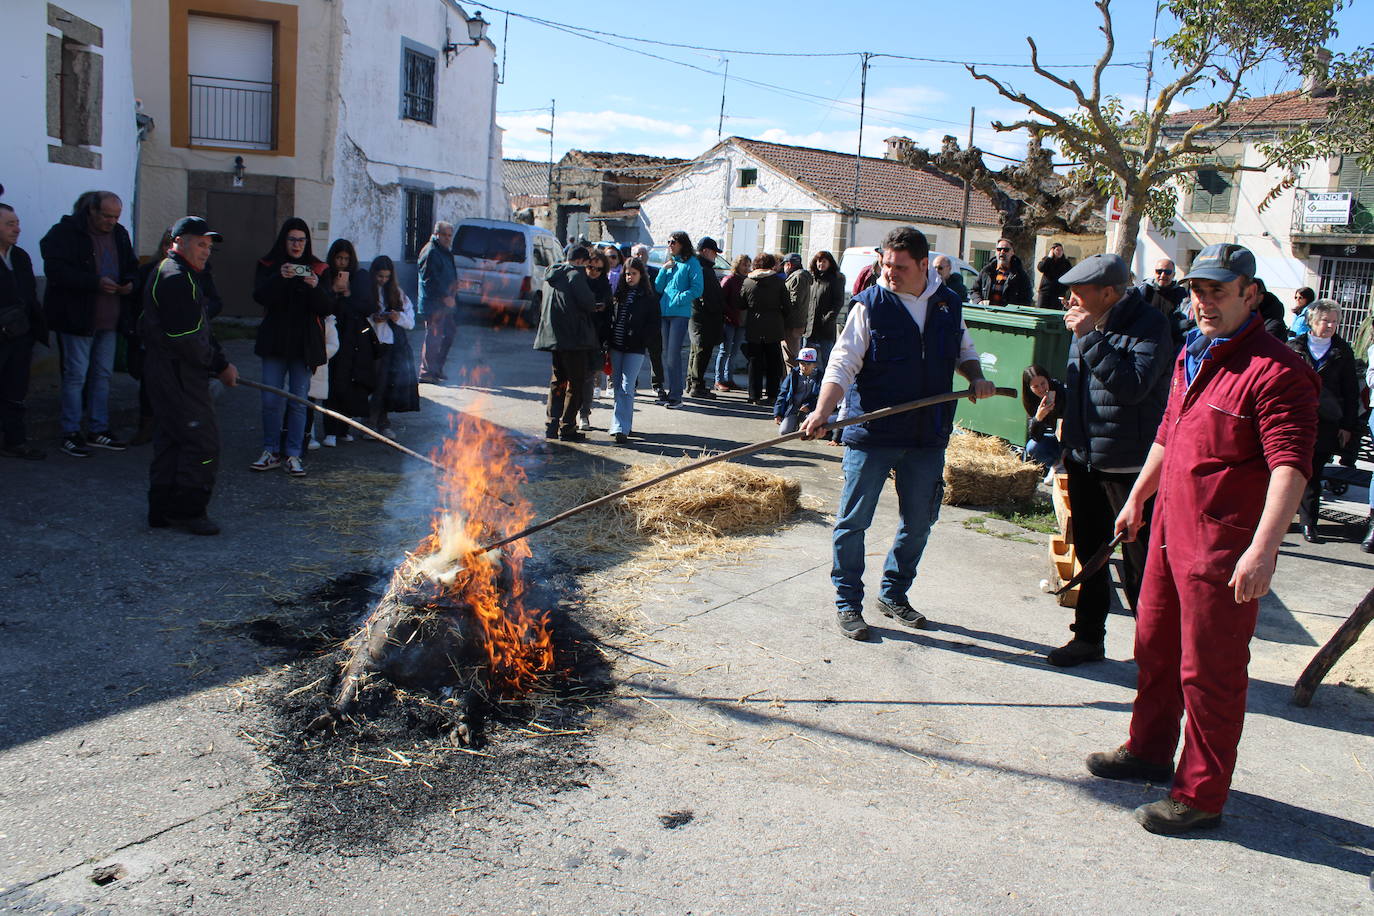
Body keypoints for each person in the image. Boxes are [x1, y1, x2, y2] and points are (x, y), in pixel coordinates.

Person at [1087, 242, 1319, 835]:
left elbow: (1291, 465)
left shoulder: (1280, 371)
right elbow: (1169, 432)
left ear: (1251, 295)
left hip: (1222, 543)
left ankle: (1200, 794)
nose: (1203, 301)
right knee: (1153, 643)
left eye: (1217, 290)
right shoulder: (1193, 351)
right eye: (1197, 290)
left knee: (1210, 671)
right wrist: (1140, 495)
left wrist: (1264, 549)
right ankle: (1148, 747)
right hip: (1169, 527)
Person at [798, 226, 997, 641]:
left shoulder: (948, 304)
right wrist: (822, 410)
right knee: (853, 522)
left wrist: (976, 377)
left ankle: (894, 593)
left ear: (924, 265)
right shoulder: (869, 305)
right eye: (885, 264)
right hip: (873, 431)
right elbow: (842, 364)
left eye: (900, 267)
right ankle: (848, 601)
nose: (890, 273)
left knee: (920, 521)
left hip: (928, 433)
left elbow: (965, 351)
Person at [1050, 253, 1173, 667]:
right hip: (1085, 459)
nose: (1070, 300)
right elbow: (1083, 388)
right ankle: (1088, 638)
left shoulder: (1150, 324)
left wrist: (1089, 339)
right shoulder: (1085, 323)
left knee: (1141, 567)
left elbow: (1132, 386)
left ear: (1108, 293)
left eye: (1079, 292)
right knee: (1091, 554)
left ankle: (1154, 657)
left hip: (1131, 469)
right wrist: (1051, 397)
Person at [140, 217, 238, 535]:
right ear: (178, 241)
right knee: (202, 444)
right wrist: (220, 366)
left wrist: (218, 360)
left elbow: (201, 331)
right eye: (200, 243)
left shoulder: (181, 275)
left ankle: (162, 509)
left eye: (209, 246)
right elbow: (188, 339)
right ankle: (189, 511)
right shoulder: (175, 278)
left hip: (169, 370)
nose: (206, 251)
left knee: (171, 440)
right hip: (178, 373)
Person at [41, 190, 139, 456]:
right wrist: (94, 283)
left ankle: (99, 428)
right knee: (76, 376)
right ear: (91, 211)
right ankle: (70, 432)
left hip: (110, 317)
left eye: (116, 217)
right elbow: (56, 271)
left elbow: (131, 264)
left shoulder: (119, 233)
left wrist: (130, 282)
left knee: (102, 376)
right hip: (77, 318)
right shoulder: (64, 233)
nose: (111, 221)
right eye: (106, 216)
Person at [250, 218, 330, 475]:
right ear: (284, 240)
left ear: (307, 242)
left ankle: (294, 454)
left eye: (301, 240)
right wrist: (279, 278)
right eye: (292, 239)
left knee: (298, 401)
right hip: (274, 340)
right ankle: (271, 450)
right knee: (270, 399)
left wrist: (316, 287)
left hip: (303, 344)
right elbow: (259, 297)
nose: (296, 245)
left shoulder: (318, 268)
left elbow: (327, 307)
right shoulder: (269, 265)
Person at [1288, 300, 1359, 544]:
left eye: (1334, 322)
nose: (1330, 326)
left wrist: (1347, 426)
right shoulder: (1294, 347)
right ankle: (1284, 519)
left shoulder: (1342, 351)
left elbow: (1351, 391)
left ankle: (1309, 523)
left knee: (1313, 472)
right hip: (1294, 419)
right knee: (1286, 470)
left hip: (1326, 422)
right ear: (1311, 322)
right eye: (1325, 321)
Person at [534, 246, 598, 441]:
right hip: (573, 339)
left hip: (554, 338)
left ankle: (551, 424)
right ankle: (567, 427)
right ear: (580, 261)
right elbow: (588, 302)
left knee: (557, 381)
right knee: (576, 383)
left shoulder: (551, 276)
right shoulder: (574, 276)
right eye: (586, 265)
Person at [0, 204, 48, 460]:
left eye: (17, 223)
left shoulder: (20, 257)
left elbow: (29, 296)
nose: (17, 229)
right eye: (9, 224)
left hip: (20, 336)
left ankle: (14, 441)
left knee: (16, 390)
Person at [320, 239, 376, 454]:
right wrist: (334, 291)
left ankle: (345, 427)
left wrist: (349, 295)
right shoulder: (327, 276)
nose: (342, 263)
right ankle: (330, 430)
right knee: (334, 381)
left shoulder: (360, 277)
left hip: (355, 339)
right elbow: (323, 306)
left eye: (346, 259)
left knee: (352, 381)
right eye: (339, 258)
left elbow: (368, 306)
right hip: (334, 335)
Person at [606, 256, 656, 445]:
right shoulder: (619, 294)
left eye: (633, 274)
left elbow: (654, 324)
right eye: (627, 273)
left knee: (627, 387)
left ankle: (620, 427)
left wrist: (642, 339)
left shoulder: (648, 297)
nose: (629, 277)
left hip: (635, 348)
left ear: (641, 275)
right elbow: (612, 318)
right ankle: (622, 423)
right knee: (617, 386)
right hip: (617, 346)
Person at [367, 255, 418, 436]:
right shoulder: (367, 291)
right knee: (376, 384)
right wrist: (374, 319)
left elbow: (411, 322)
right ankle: (371, 421)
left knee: (388, 384)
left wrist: (397, 317)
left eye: (387, 277)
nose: (383, 280)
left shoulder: (397, 293)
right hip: (371, 343)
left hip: (391, 345)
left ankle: (382, 422)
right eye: (380, 276)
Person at [653, 231, 702, 408]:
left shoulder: (692, 263)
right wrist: (663, 270)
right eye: (668, 242)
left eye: (673, 242)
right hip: (665, 312)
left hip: (679, 314)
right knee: (667, 355)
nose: (670, 245)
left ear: (682, 243)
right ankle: (670, 392)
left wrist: (679, 298)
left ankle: (676, 396)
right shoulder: (671, 263)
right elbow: (658, 287)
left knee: (673, 355)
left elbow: (697, 289)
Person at [741, 253, 788, 407]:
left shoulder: (748, 282)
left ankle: (754, 395)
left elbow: (740, 303)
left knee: (754, 361)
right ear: (771, 265)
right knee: (773, 361)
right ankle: (772, 394)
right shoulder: (778, 282)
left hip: (754, 324)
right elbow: (787, 304)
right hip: (774, 324)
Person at [417, 221, 457, 383]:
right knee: (434, 337)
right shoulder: (431, 251)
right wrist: (444, 296)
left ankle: (437, 368)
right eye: (444, 235)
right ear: (436, 234)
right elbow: (429, 279)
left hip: (446, 303)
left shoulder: (444, 251)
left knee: (449, 333)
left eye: (449, 235)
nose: (448, 238)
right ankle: (426, 372)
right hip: (434, 303)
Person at [578, 249, 613, 430]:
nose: (593, 271)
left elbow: (609, 318)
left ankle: (584, 414)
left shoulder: (605, 287)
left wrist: (606, 343)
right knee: (572, 377)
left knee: (589, 378)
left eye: (598, 269)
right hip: (575, 336)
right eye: (590, 267)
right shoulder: (578, 282)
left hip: (595, 339)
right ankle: (568, 416)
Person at [686, 237, 725, 400]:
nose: (715, 256)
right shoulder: (703, 268)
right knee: (702, 351)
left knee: (696, 350)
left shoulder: (699, 266)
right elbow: (706, 295)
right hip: (704, 317)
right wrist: (716, 310)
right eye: (714, 252)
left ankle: (692, 383)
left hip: (698, 315)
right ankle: (696, 385)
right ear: (706, 251)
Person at [631, 243, 665, 399]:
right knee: (634, 354)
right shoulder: (629, 274)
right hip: (635, 321)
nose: (640, 256)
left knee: (655, 354)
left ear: (647, 256)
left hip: (652, 319)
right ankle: (633, 384)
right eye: (637, 254)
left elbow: (660, 293)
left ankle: (658, 385)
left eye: (642, 254)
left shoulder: (655, 272)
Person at [802, 250, 845, 374]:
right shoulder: (812, 278)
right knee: (807, 360)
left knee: (826, 361)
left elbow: (838, 302)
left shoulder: (836, 279)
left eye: (824, 261)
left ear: (830, 263)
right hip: (810, 328)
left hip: (825, 329)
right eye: (819, 261)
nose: (821, 264)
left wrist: (826, 319)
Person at [1135, 258, 1189, 351]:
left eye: (1167, 272)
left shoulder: (1181, 294)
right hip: (1144, 342)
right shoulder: (1144, 291)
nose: (1163, 275)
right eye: (1159, 271)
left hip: (1170, 346)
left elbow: (1184, 321)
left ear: (1174, 274)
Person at [715, 254, 750, 391]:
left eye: (748, 265)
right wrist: (729, 315)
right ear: (737, 265)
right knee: (725, 351)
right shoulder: (729, 280)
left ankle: (729, 379)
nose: (747, 268)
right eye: (744, 265)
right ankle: (719, 380)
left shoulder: (748, 281)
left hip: (742, 322)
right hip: (729, 321)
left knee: (734, 352)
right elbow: (721, 300)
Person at [1021, 364, 1065, 469]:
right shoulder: (1031, 400)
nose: (1041, 389)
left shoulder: (1061, 391)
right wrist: (1038, 418)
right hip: (1053, 440)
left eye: (1043, 383)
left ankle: (1064, 463)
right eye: (1035, 386)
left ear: (1048, 380)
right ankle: (1055, 465)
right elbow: (1035, 437)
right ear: (1029, 388)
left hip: (1069, 439)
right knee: (1032, 447)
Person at [774, 346, 822, 434]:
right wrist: (778, 413)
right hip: (793, 409)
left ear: (814, 364)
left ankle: (807, 423)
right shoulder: (793, 375)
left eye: (808, 364)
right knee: (783, 432)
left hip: (811, 410)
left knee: (811, 431)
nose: (805, 366)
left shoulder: (820, 377)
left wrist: (809, 405)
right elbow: (783, 394)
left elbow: (821, 397)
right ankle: (794, 422)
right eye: (802, 363)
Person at [972, 239, 1032, 307]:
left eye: (1006, 250)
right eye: (999, 249)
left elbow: (1027, 299)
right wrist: (979, 301)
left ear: (1012, 252)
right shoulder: (986, 271)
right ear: (995, 252)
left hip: (1006, 316)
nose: (1002, 252)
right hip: (987, 314)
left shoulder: (1020, 275)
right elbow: (974, 290)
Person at [781, 253, 812, 370]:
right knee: (789, 356)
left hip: (793, 323)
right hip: (795, 322)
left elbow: (794, 301)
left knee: (791, 357)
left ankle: (791, 385)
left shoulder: (797, 277)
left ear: (789, 265)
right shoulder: (800, 276)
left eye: (784, 265)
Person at [1036, 242, 1074, 309]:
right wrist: (1049, 257)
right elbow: (1041, 268)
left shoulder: (1066, 263)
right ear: (1052, 251)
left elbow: (1070, 277)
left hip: (1058, 294)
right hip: (1045, 293)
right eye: (1057, 250)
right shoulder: (1047, 260)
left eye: (1061, 250)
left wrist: (1064, 289)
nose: (1059, 252)